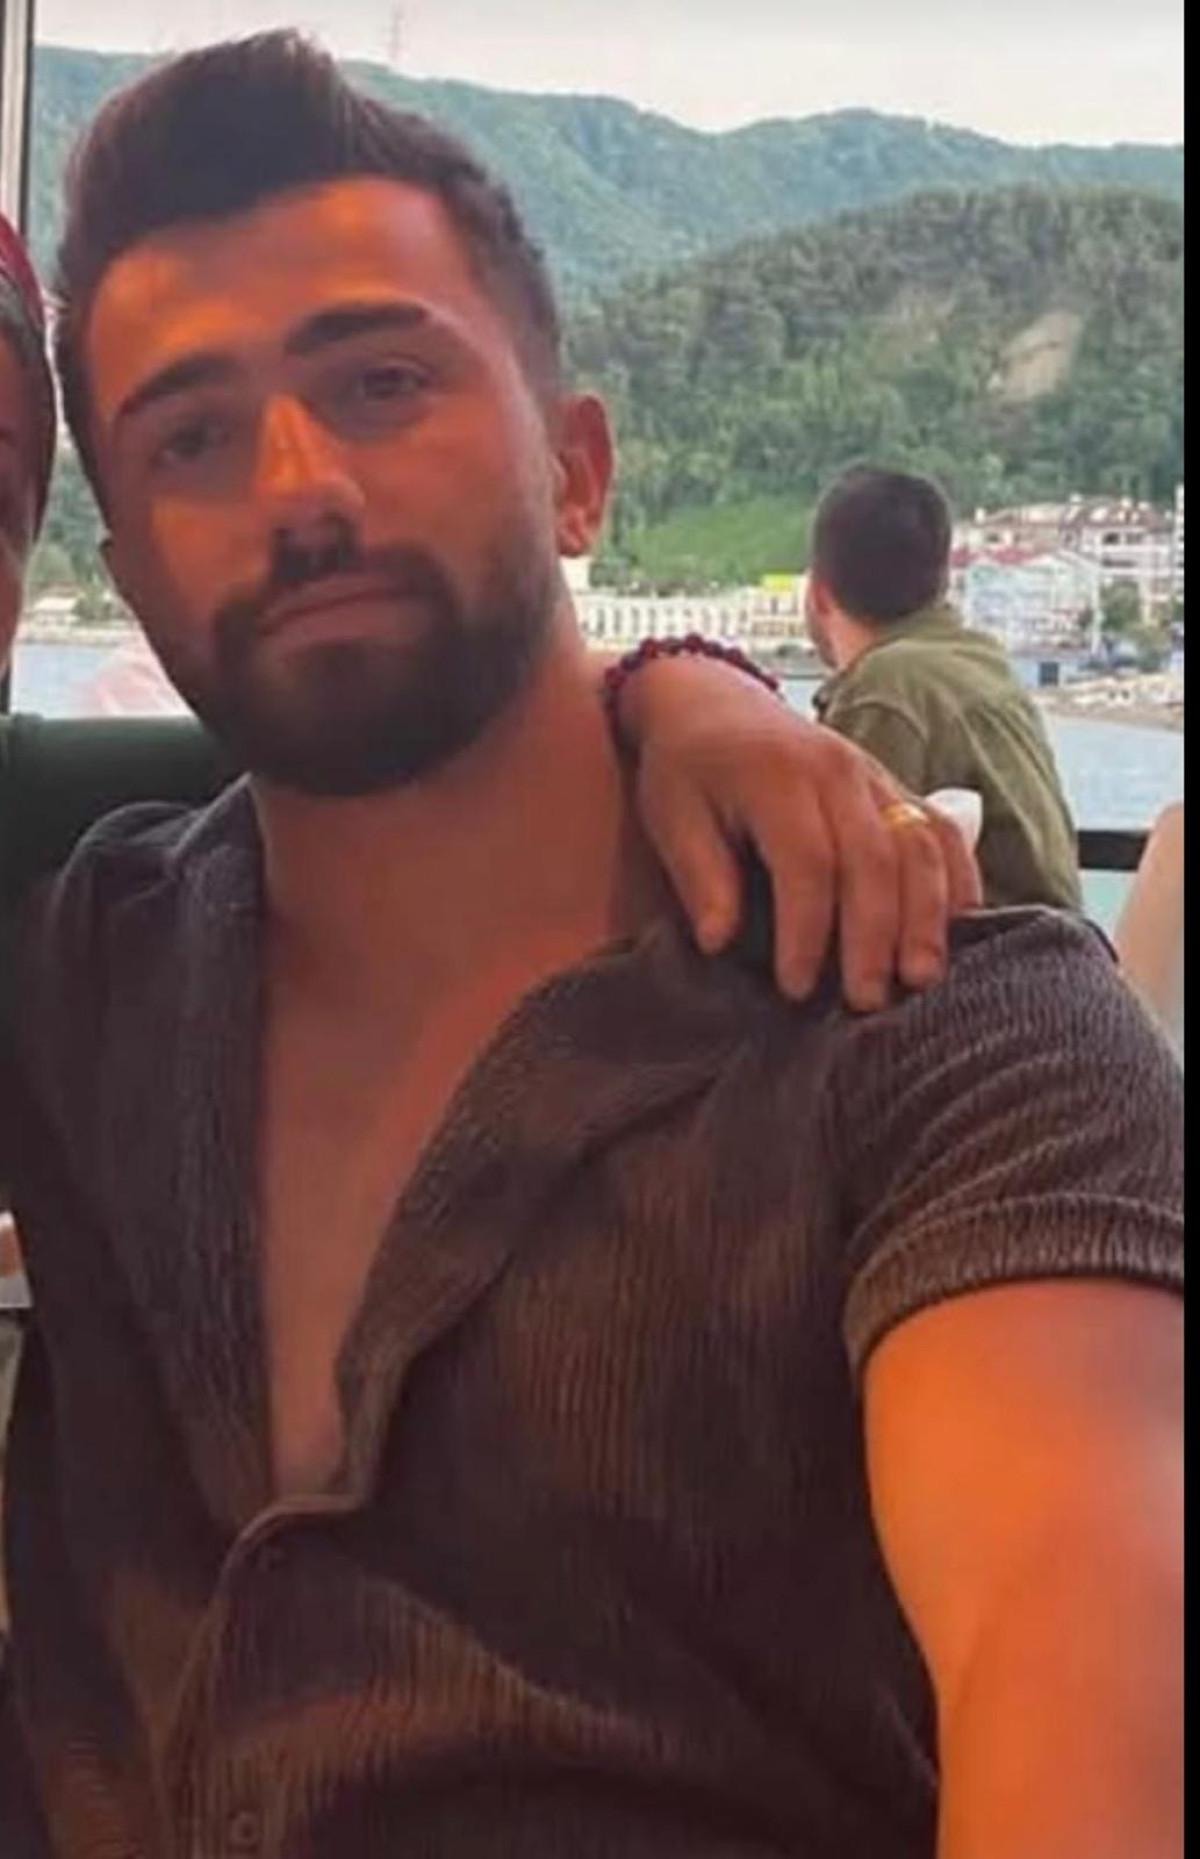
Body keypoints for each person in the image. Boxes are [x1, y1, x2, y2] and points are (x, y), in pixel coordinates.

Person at [2, 37, 1182, 1858]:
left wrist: (689, 692)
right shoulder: (83, 969)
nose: (299, 485)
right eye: (192, 435)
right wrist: (688, 685)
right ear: (126, 562)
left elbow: (1081, 1652)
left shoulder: (940, 1030)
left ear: (578, 469)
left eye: (381, 381)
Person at [807, 465, 1083, 909]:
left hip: (991, 951)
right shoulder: (980, 660)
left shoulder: (886, 690)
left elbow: (848, 887)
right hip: (1058, 944)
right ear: (942, 580)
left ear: (819, 592)